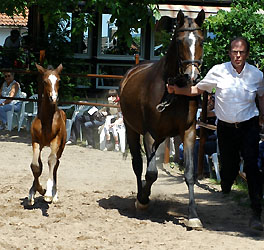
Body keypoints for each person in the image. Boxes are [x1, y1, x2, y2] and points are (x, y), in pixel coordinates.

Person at [168, 37, 264, 231]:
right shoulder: (218, 71)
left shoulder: (257, 75)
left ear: (247, 54)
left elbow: (261, 96)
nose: (238, 56)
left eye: (242, 52)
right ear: (229, 53)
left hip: (249, 125)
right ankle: (227, 182)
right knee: (228, 166)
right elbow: (197, 89)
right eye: (235, 52)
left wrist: (263, 117)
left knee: (252, 166)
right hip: (226, 128)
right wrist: (177, 90)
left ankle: (256, 213)